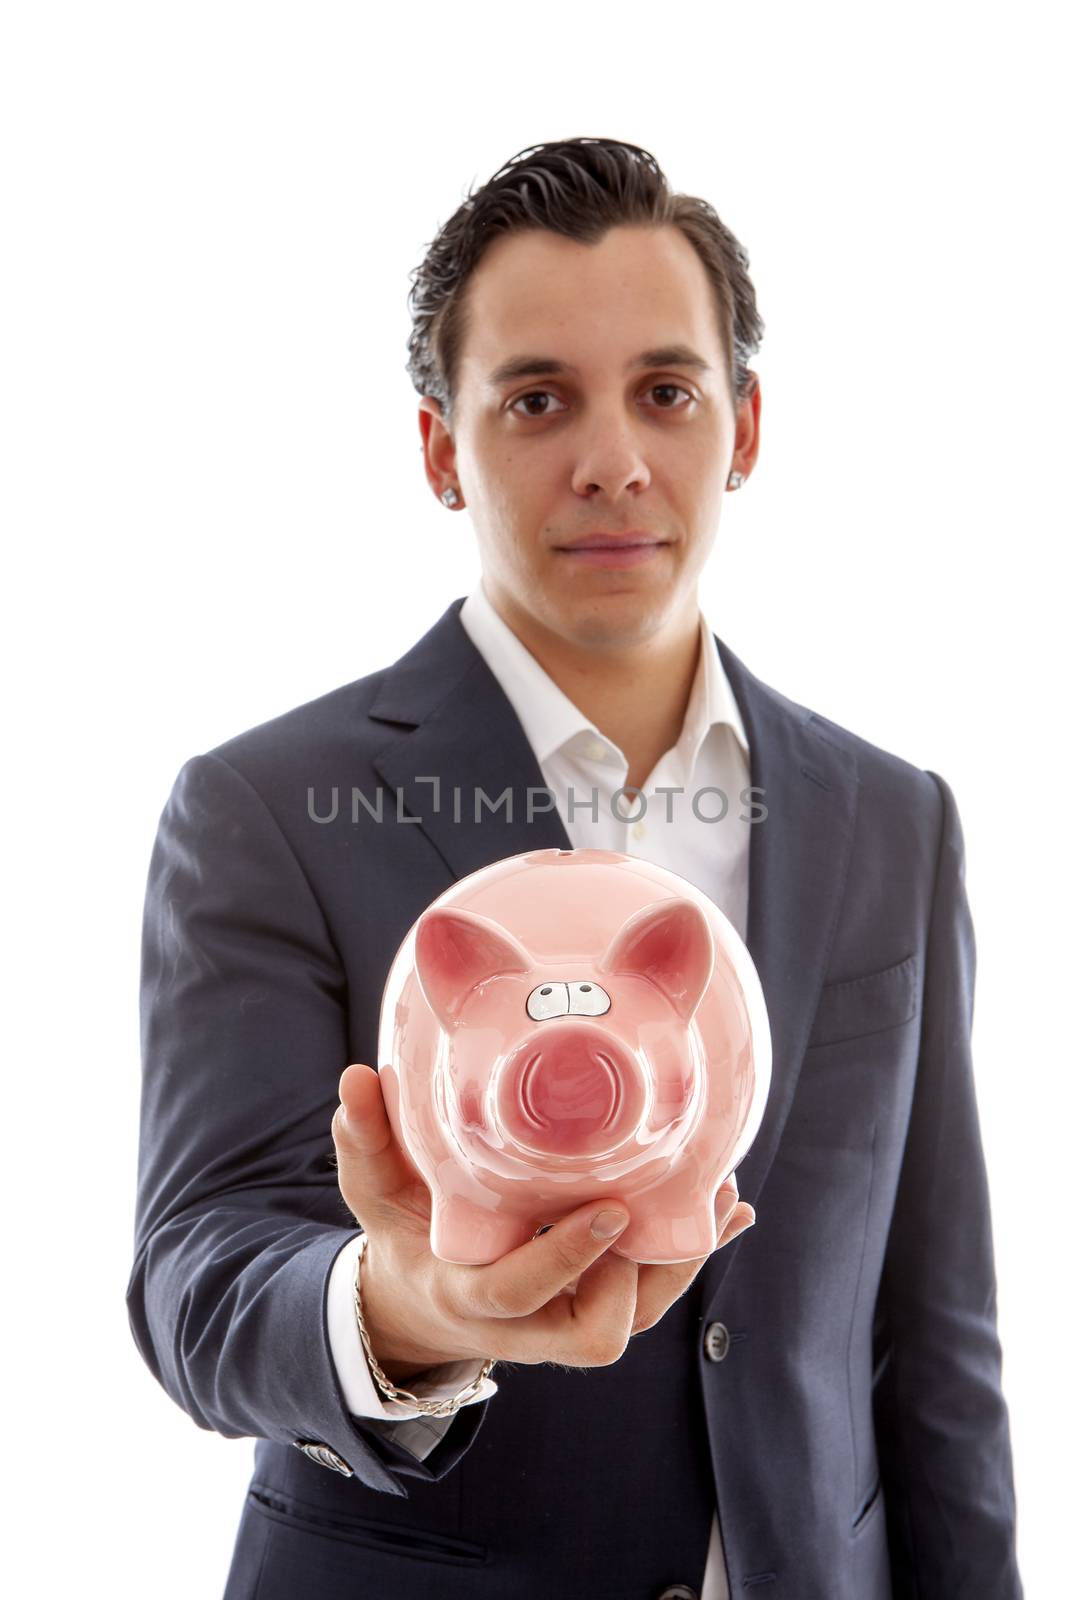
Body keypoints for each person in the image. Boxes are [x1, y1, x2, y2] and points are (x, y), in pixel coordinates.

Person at [127, 137, 1022, 1599]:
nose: (612, 460)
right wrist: (411, 1308)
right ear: (440, 448)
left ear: (741, 427)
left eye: (665, 392)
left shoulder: (890, 818)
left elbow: (937, 1338)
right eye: (538, 400)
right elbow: (198, 1278)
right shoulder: (265, 806)